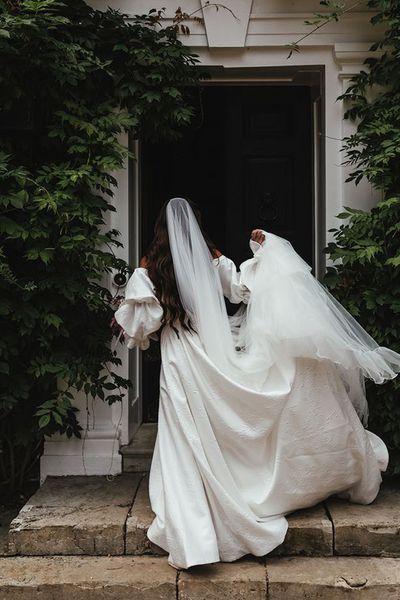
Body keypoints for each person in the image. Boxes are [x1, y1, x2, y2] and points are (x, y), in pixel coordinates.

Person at [114, 196, 400, 570]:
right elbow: (242, 291)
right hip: (211, 348)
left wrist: (129, 315)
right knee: (218, 420)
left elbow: (141, 330)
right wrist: (265, 257)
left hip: (179, 357)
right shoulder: (211, 259)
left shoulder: (147, 270)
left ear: (158, 232)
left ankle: (193, 502)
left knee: (186, 429)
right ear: (197, 229)